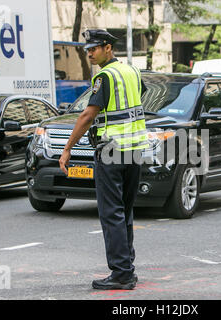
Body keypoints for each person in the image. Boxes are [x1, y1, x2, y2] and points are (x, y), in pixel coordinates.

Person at [58, 29, 148, 290]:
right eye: (88, 49)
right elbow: (137, 97)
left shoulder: (105, 76)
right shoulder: (131, 71)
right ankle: (127, 266)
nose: (90, 53)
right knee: (125, 209)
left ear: (108, 48)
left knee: (111, 213)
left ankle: (121, 274)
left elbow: (87, 115)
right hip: (134, 149)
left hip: (112, 151)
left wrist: (67, 148)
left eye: (94, 48)